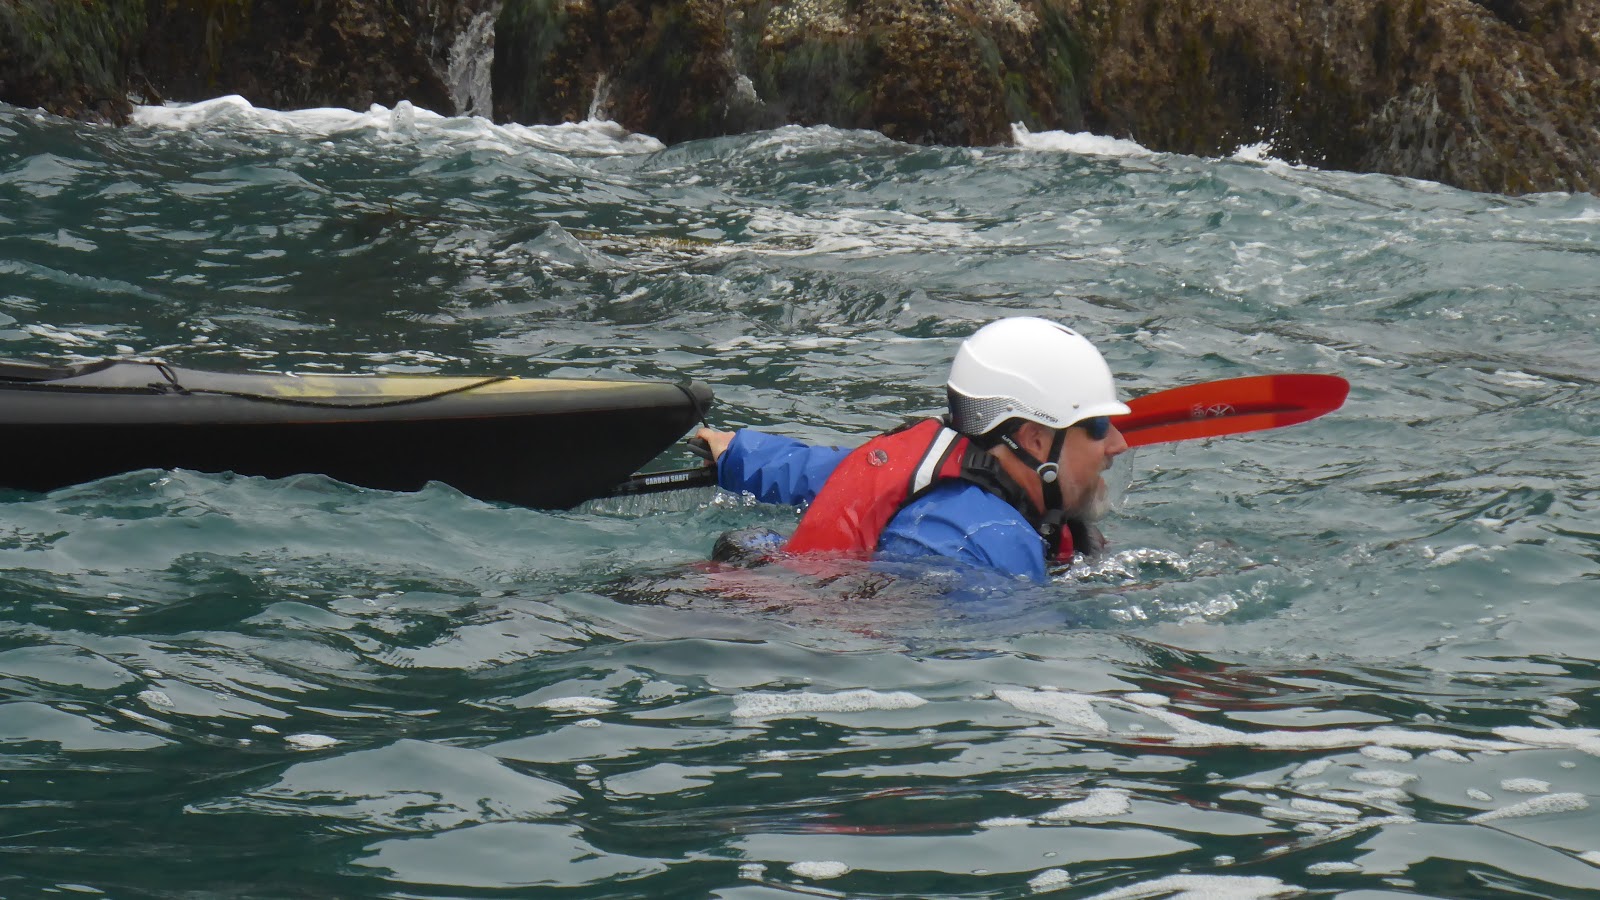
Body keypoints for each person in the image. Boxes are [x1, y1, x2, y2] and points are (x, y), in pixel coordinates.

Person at [695, 317, 1131, 582]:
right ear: (1034, 439)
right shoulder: (987, 551)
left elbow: (828, 472)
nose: (1119, 443)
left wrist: (740, 453)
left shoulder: (930, 470)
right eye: (1097, 427)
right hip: (746, 615)